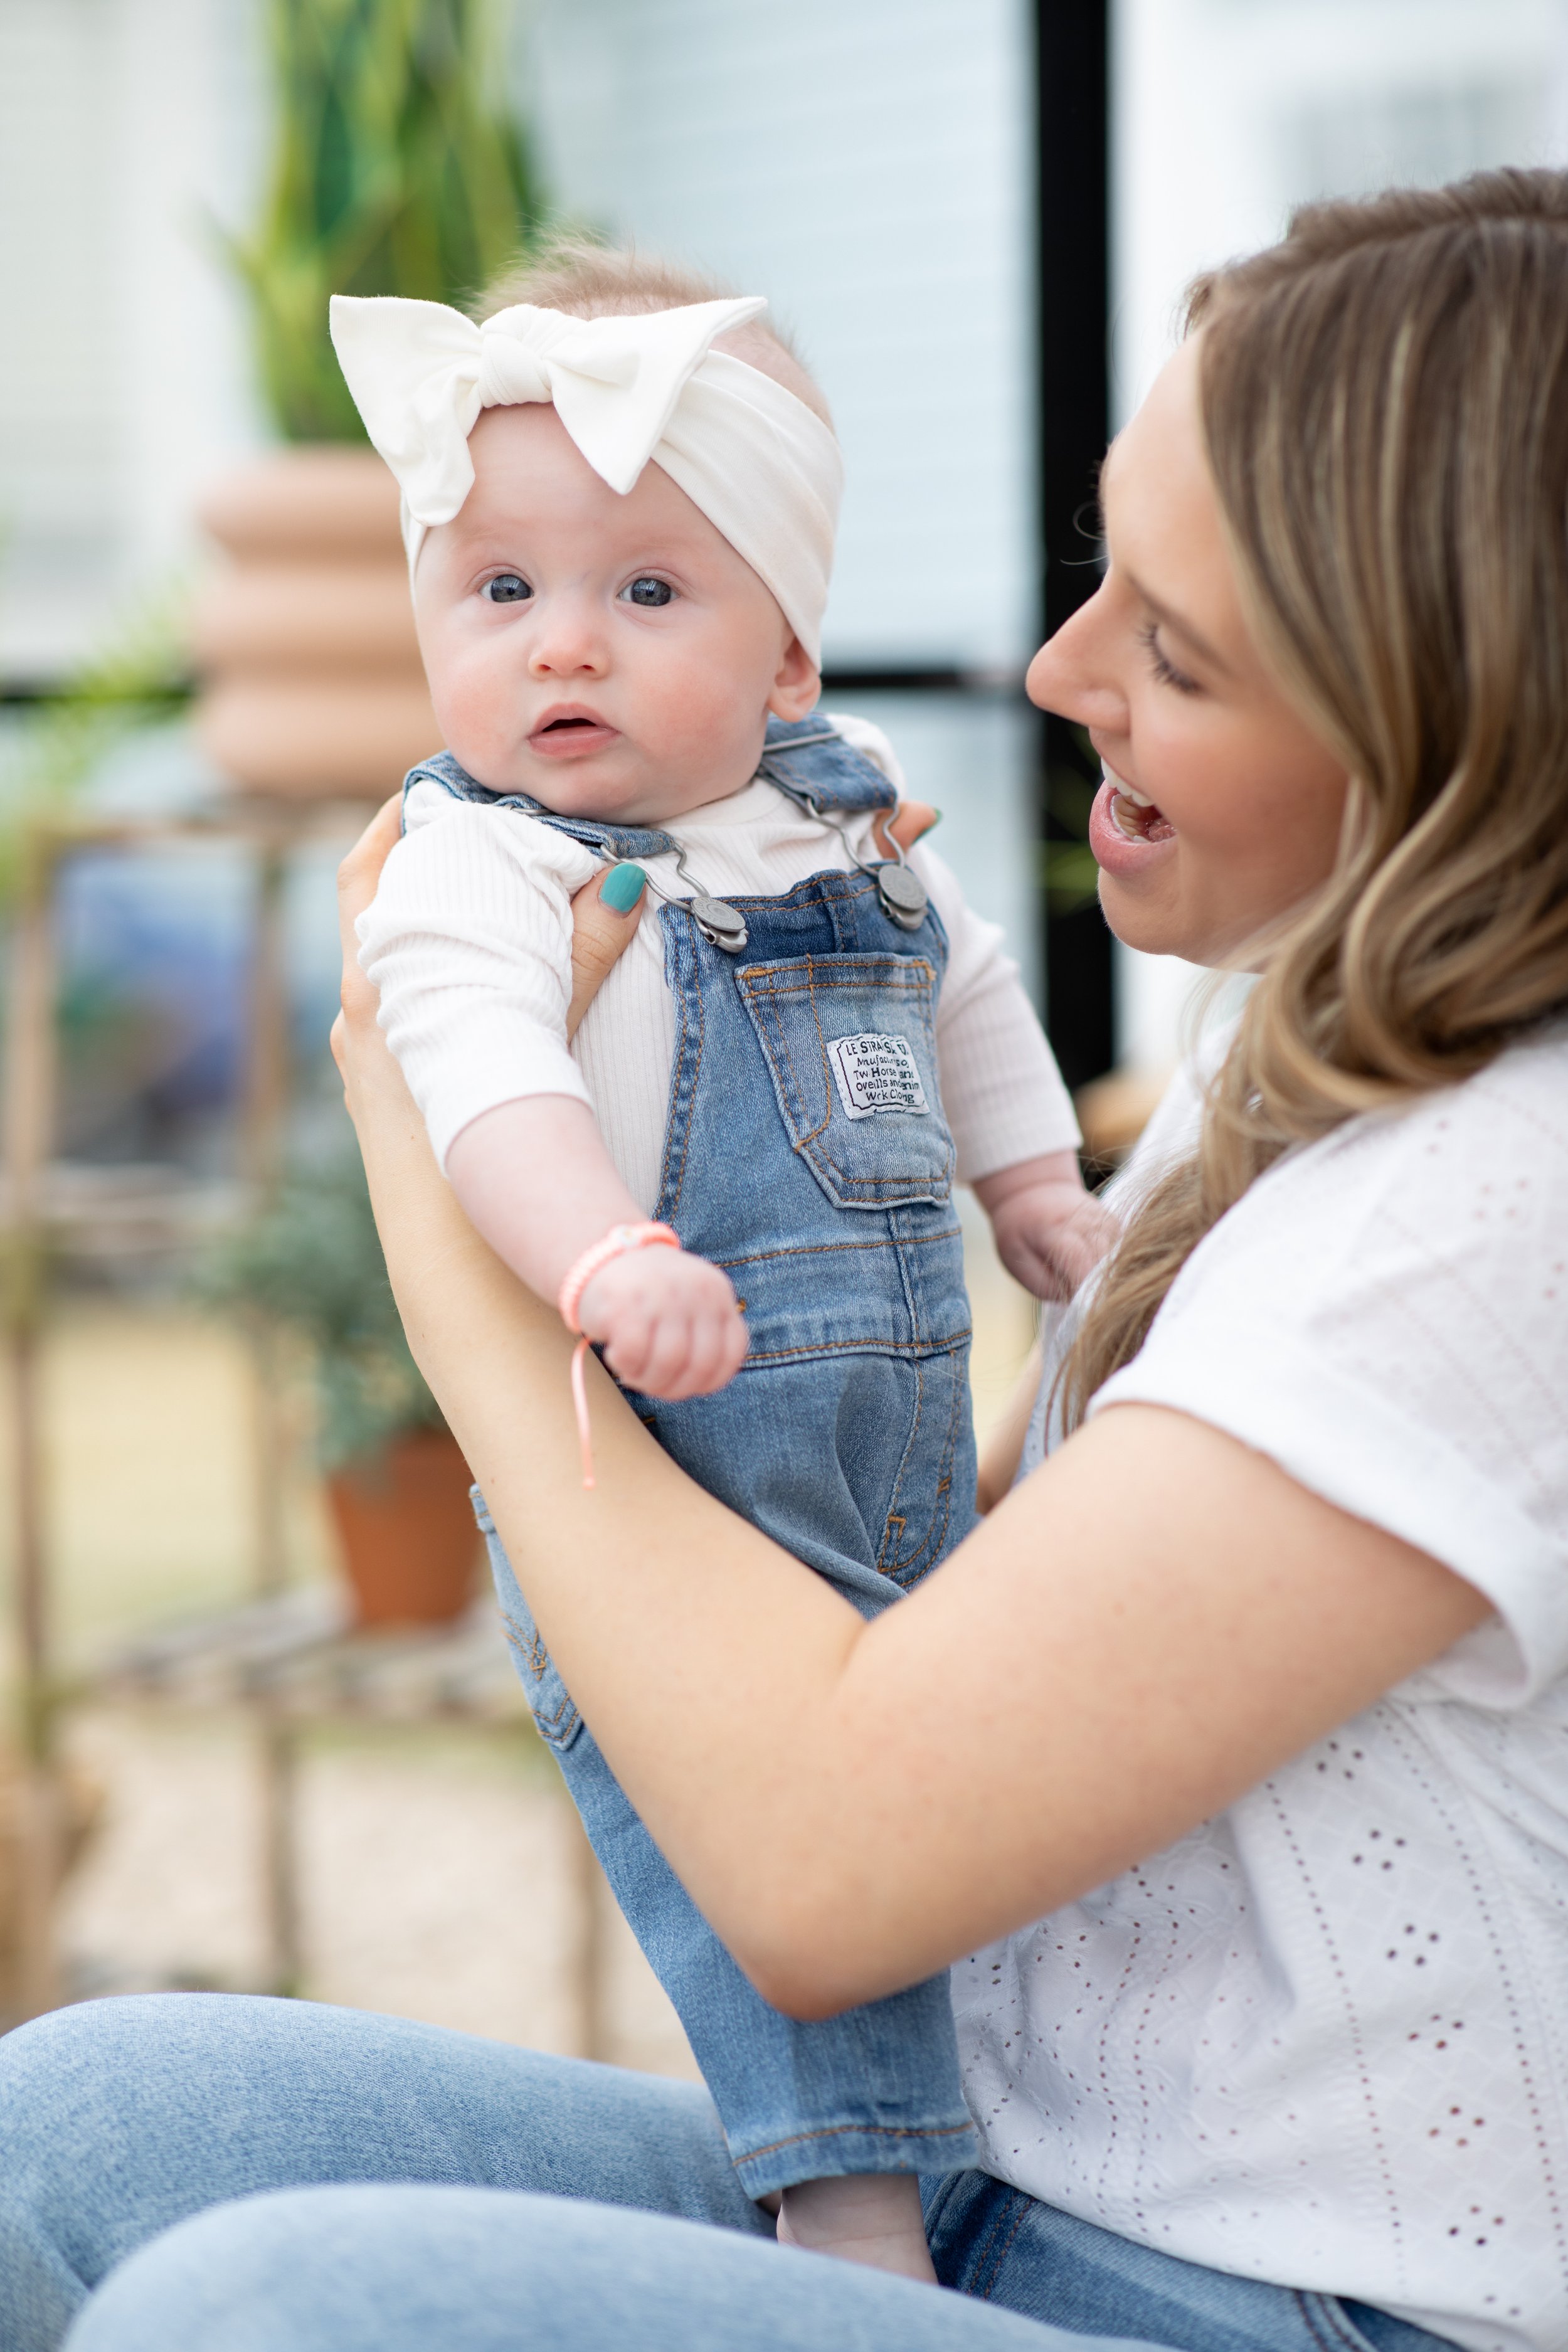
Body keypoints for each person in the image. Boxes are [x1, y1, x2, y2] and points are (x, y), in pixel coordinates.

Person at [4, 167, 1567, 2352]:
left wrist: (456, 1219)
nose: (1051, 668)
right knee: (67, 2132)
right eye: (1096, 566)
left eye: (1174, 645)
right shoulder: (1291, 1046)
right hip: (1013, 2183)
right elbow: (1008, 1601)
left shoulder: (1488, 1207)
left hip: (1280, 2305)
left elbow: (826, 1870)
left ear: (1444, 735)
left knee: (255, 2311)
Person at [331, 240, 1108, 2279]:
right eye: (498, 591)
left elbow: (967, 990)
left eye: (643, 591)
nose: (558, 646)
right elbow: (478, 1081)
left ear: (785, 664)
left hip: (904, 1431)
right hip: (674, 1460)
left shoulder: (843, 818)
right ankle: (839, 2206)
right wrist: (597, 1256)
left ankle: (1000, 2139)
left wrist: (1030, 1189)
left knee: (981, 1770)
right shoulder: (475, 865)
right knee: (749, 1832)